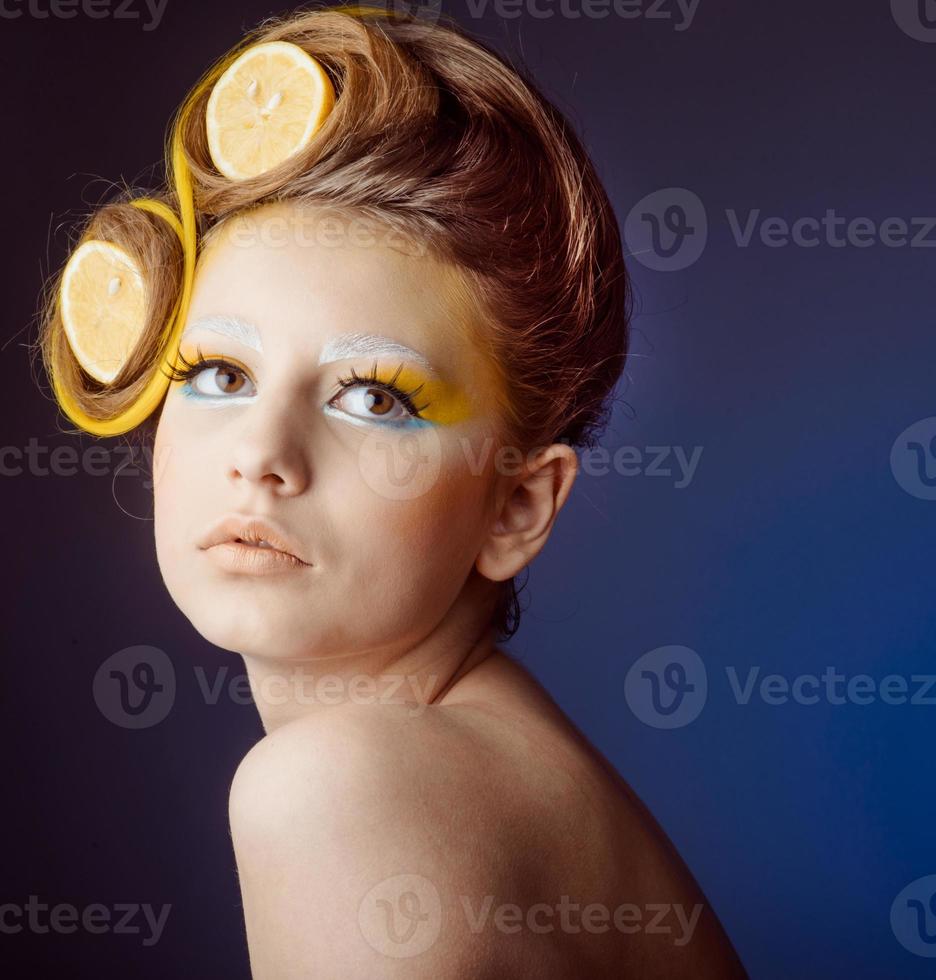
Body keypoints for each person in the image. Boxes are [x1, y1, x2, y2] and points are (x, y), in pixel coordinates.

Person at [38, 6, 747, 976]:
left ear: (516, 506)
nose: (263, 452)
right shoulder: (495, 760)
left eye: (371, 395)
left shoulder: (334, 789)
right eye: (216, 374)